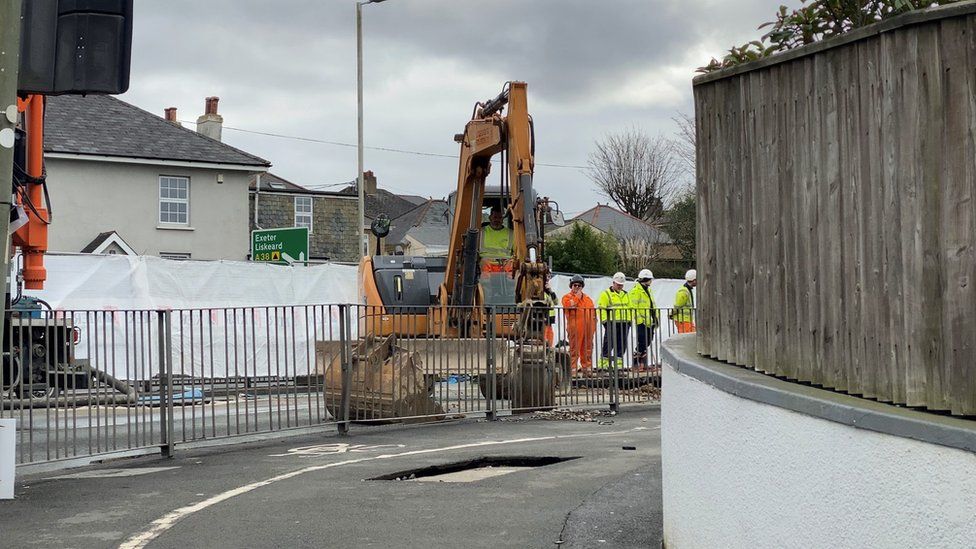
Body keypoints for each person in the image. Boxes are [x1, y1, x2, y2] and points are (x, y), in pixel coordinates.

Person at [562, 274, 596, 375]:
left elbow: (593, 313)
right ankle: (572, 369)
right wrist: (577, 297)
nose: (577, 287)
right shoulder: (566, 297)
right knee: (574, 349)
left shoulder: (587, 299)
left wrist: (593, 326)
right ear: (571, 286)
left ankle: (587, 368)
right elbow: (569, 305)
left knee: (588, 348)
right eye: (575, 285)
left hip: (588, 328)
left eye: (579, 285)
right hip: (575, 328)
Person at [597, 272, 631, 371]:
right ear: (613, 283)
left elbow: (630, 308)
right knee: (609, 343)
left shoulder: (625, 294)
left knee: (622, 344)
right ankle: (603, 364)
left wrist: (629, 321)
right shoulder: (606, 294)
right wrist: (604, 322)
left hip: (624, 323)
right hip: (611, 322)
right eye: (618, 284)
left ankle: (618, 364)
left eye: (621, 284)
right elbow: (602, 308)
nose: (620, 286)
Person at [629, 268, 659, 369]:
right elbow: (634, 307)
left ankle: (642, 362)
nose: (651, 281)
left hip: (650, 321)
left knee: (648, 340)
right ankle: (637, 362)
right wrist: (640, 320)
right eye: (650, 279)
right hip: (641, 322)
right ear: (646, 279)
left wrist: (655, 319)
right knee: (642, 341)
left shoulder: (648, 290)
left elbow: (652, 305)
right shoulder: (635, 291)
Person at [672, 269, 697, 334]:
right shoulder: (684, 292)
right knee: (686, 339)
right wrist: (671, 314)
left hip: (686, 320)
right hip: (683, 320)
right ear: (694, 280)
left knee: (691, 337)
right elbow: (678, 306)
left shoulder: (687, 290)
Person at [543, 275, 558, 346]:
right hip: (544, 317)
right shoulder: (540, 292)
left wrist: (551, 291)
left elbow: (556, 302)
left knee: (550, 334)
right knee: (544, 334)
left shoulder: (549, 292)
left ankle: (549, 348)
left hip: (550, 318)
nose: (548, 279)